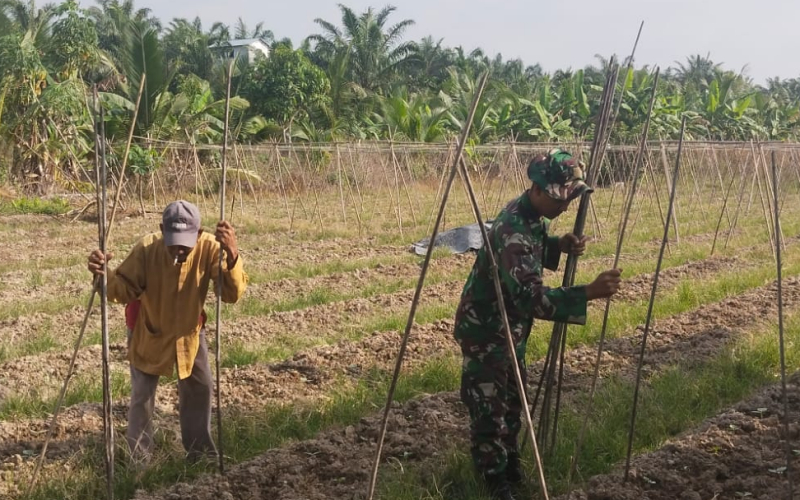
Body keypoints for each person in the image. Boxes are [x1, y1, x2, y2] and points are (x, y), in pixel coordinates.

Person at [453, 149, 622, 499]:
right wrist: (588, 292)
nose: (565, 207)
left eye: (571, 198)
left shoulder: (531, 218)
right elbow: (530, 297)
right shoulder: (511, 228)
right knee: (490, 406)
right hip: (487, 330)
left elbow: (534, 242)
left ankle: (509, 466)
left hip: (510, 327)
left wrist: (557, 244)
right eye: (561, 199)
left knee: (512, 399)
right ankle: (492, 480)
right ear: (537, 190)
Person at [87, 200, 248, 465]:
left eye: (186, 243)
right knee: (143, 395)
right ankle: (139, 459)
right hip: (151, 328)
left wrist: (232, 255)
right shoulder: (147, 249)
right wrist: (104, 276)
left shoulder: (210, 248)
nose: (179, 250)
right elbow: (123, 288)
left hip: (190, 332)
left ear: (199, 233)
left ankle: (200, 455)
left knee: (201, 387)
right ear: (162, 230)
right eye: (173, 242)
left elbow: (230, 294)